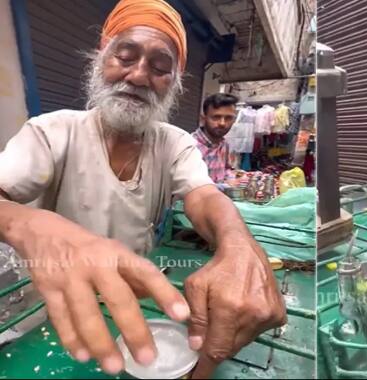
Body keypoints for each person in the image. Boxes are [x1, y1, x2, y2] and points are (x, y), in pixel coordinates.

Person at [0, 0, 286, 377]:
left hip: (132, 307)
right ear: (100, 61)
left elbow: (203, 195)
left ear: (174, 83)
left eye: (160, 66)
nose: (137, 76)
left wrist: (239, 245)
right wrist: (30, 225)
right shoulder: (52, 132)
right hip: (51, 313)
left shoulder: (173, 142)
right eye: (124, 56)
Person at [192, 93, 238, 185]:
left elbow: (227, 169)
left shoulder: (224, 144)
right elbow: (191, 186)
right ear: (203, 119)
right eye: (216, 117)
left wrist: (231, 178)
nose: (222, 123)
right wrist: (225, 186)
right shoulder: (190, 146)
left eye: (228, 118)